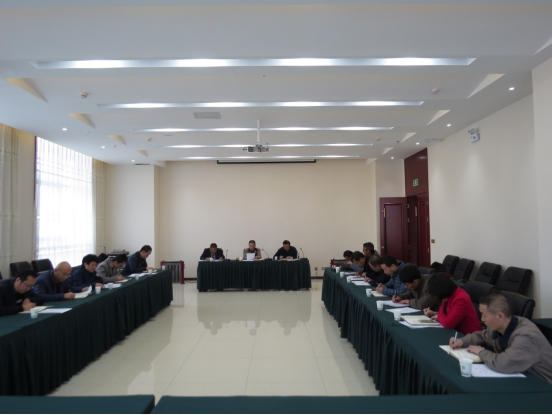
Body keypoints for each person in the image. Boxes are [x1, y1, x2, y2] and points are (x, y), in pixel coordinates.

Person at [450, 292, 552, 383]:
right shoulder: (499, 326)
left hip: (544, 385)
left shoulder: (526, 336)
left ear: (500, 316)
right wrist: (461, 341)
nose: (482, 319)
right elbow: (481, 336)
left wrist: (481, 352)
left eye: (484, 315)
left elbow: (503, 364)